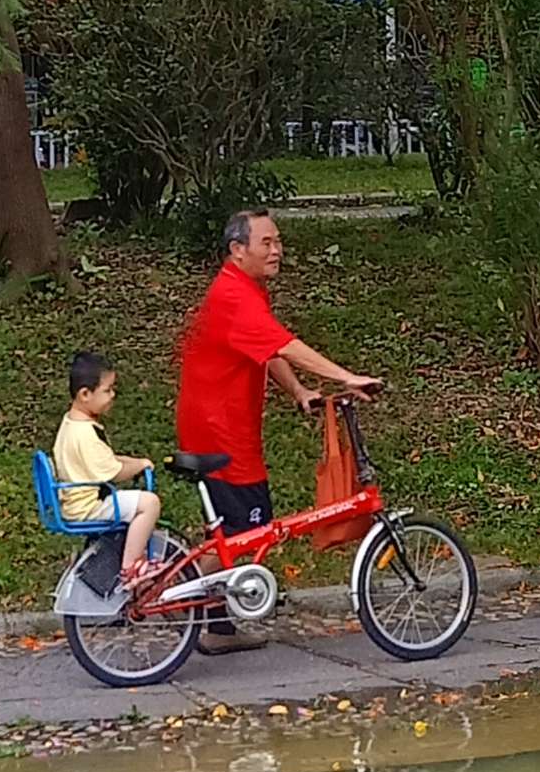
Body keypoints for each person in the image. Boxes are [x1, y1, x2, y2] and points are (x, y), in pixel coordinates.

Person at [176, 206, 381, 651]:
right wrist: (346, 377)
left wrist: (298, 390)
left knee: (235, 533)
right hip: (220, 433)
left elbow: (264, 350)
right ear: (238, 250)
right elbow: (285, 344)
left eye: (278, 241)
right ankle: (183, 600)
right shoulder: (234, 296)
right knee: (243, 533)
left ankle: (216, 628)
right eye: (266, 243)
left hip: (225, 428)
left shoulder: (244, 289)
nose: (276, 250)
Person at [52, 350, 160, 590]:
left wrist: (135, 462)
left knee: (140, 501)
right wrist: (140, 465)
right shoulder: (85, 434)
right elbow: (114, 472)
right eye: (107, 390)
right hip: (89, 507)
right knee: (149, 503)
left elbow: (107, 460)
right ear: (85, 394)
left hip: (77, 503)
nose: (113, 395)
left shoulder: (71, 424)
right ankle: (130, 568)